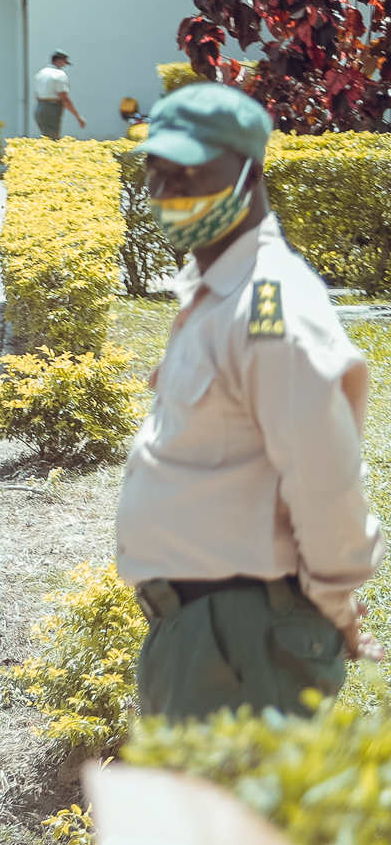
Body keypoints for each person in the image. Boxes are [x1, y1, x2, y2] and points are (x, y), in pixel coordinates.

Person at [116, 85, 385, 720]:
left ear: (250, 173)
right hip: (207, 633)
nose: (165, 191)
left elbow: (325, 479)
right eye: (156, 170)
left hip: (243, 639)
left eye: (189, 172)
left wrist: (336, 599)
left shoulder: (270, 306)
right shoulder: (216, 290)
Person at [33, 52, 86, 138]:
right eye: (64, 63)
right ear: (59, 61)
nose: (64, 65)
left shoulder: (41, 73)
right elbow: (64, 98)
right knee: (53, 139)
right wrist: (78, 116)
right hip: (52, 108)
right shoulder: (59, 75)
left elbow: (36, 94)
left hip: (39, 107)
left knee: (45, 137)